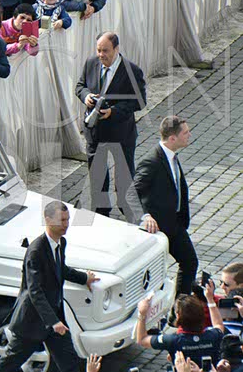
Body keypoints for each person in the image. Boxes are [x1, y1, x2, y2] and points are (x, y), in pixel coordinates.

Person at [0, 201, 99, 372]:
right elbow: (35, 291)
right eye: (62, 220)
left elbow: (60, 268)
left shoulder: (61, 243)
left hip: (54, 320)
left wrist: (84, 278)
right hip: (32, 322)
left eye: (67, 219)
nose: (66, 224)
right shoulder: (36, 251)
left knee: (70, 363)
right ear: (48, 220)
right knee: (6, 366)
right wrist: (53, 321)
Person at [75, 32, 146, 219]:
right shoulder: (90, 63)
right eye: (98, 50)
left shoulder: (132, 71)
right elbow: (80, 86)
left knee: (124, 177)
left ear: (116, 49)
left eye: (105, 50)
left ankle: (128, 211)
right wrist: (86, 96)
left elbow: (139, 101)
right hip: (95, 132)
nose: (101, 55)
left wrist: (113, 112)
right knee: (97, 176)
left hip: (120, 133)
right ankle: (101, 213)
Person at [133, 116, 197, 296]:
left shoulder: (172, 157)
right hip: (157, 228)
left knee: (190, 262)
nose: (190, 135)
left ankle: (180, 307)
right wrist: (145, 216)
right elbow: (129, 194)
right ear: (172, 138)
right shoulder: (152, 162)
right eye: (186, 133)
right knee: (152, 274)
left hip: (174, 224)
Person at [136, 282, 225, 367]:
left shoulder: (172, 340)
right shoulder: (213, 336)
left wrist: (142, 314)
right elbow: (218, 324)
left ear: (178, 316)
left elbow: (142, 340)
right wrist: (210, 299)